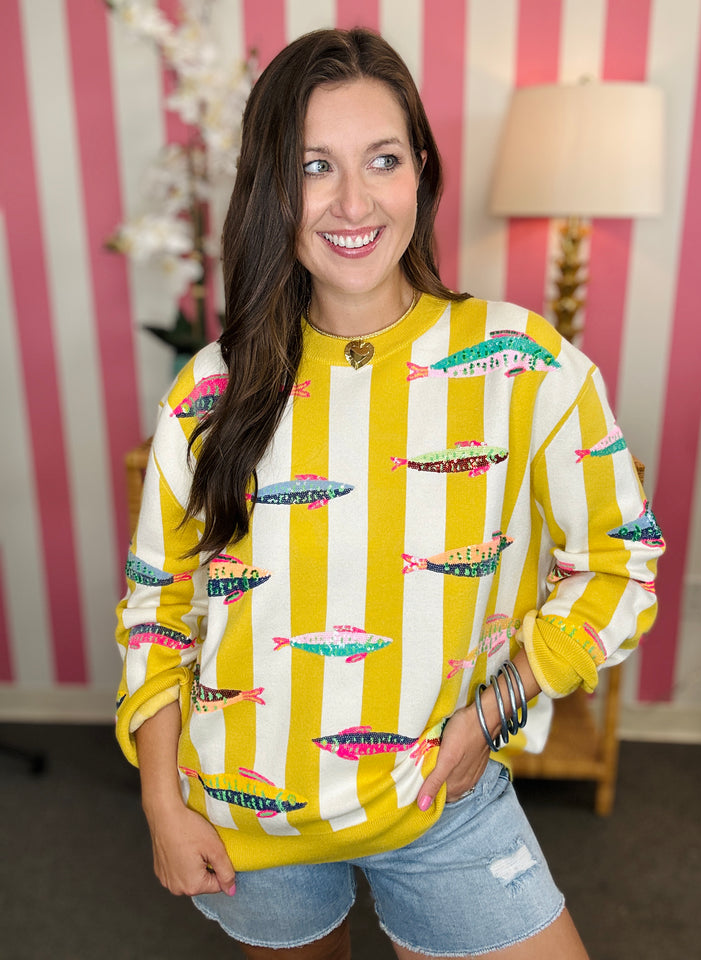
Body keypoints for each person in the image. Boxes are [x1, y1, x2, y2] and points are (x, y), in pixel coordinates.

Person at [115, 27, 664, 960]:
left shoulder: (527, 365)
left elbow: (623, 569)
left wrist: (491, 715)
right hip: (257, 817)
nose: (353, 200)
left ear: (423, 174)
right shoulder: (210, 390)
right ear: (269, 190)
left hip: (445, 800)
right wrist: (163, 803)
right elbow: (160, 610)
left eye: (382, 159)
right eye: (313, 166)